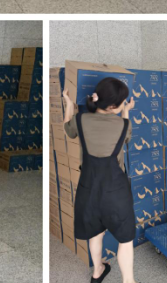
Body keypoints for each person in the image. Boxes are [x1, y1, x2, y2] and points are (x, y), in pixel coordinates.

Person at [63, 77, 137, 283]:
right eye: (122, 102)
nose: (124, 104)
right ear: (113, 106)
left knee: (95, 234)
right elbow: (126, 138)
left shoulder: (80, 119)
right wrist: (126, 112)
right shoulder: (123, 124)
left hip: (88, 190)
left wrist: (68, 104)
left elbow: (68, 130)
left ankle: (97, 272)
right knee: (125, 240)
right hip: (116, 193)